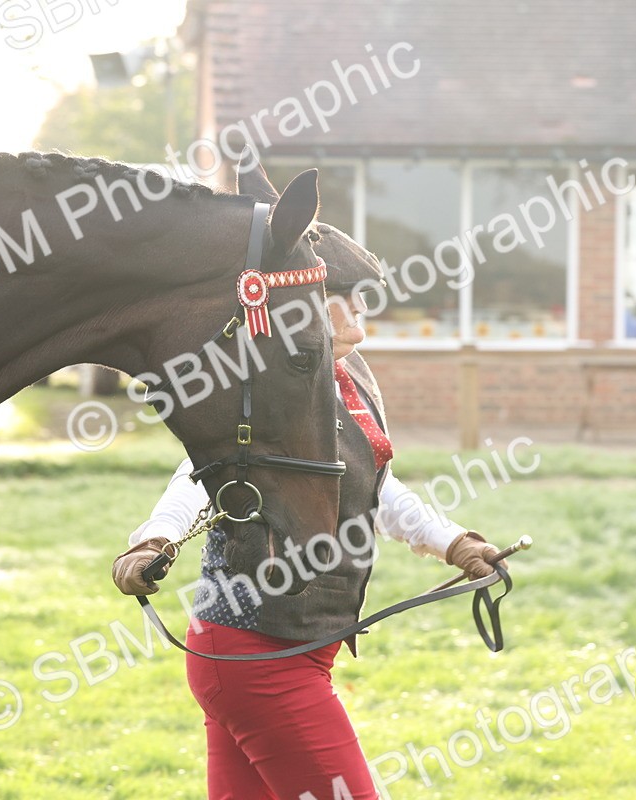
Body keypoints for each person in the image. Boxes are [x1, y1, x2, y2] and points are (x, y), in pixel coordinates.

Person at [112, 169, 507, 800]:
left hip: (297, 646)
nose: (360, 319)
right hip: (255, 651)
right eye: (346, 300)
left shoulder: (351, 378)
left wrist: (455, 544)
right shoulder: (276, 383)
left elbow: (375, 484)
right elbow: (203, 472)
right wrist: (153, 539)